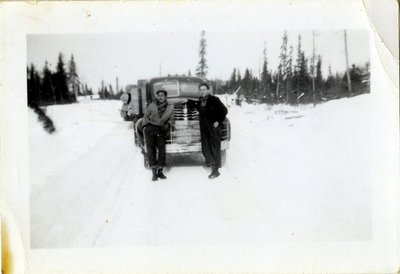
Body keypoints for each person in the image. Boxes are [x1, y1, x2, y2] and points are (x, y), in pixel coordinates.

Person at [191, 83, 228, 179]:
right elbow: (193, 103)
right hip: (204, 128)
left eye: (204, 89)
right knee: (205, 149)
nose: (202, 91)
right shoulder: (200, 101)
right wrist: (185, 101)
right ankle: (213, 165)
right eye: (201, 90)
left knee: (215, 148)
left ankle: (215, 170)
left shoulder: (214, 100)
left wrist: (218, 122)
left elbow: (224, 110)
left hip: (213, 127)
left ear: (208, 90)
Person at [142, 89, 174, 181]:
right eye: (159, 95)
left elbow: (172, 119)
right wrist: (145, 126)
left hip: (161, 130)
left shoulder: (170, 107)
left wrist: (168, 125)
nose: (160, 97)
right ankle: (153, 171)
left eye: (162, 95)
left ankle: (160, 171)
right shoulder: (152, 105)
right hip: (150, 129)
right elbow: (146, 116)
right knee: (151, 150)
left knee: (161, 150)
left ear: (165, 97)